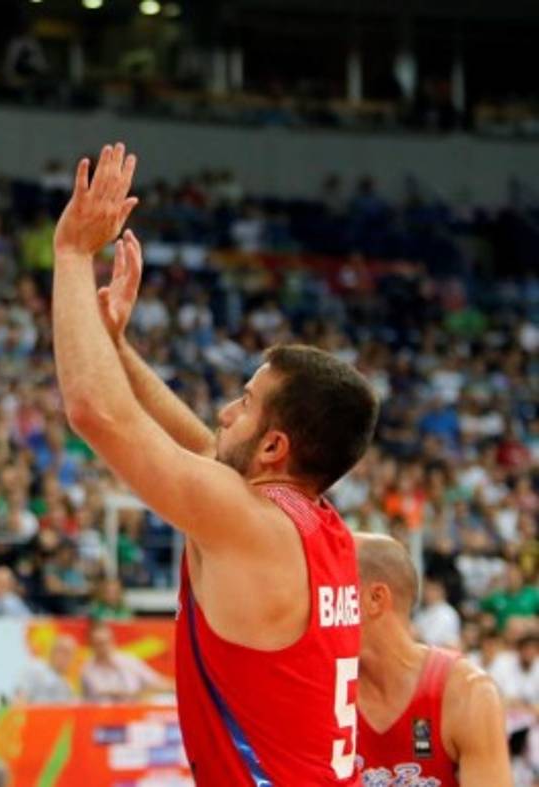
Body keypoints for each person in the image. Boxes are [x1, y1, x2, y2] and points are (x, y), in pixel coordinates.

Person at [51, 144, 379, 784]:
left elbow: (96, 413)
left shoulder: (251, 525)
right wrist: (115, 345)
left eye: (246, 403)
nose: (227, 412)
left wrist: (70, 254)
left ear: (275, 448)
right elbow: (207, 451)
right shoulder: (312, 524)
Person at [355, 534, 511, 785]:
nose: (318, 598)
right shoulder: (319, 688)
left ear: (375, 599)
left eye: (330, 585)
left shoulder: (467, 692)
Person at [80, 620, 172, 703]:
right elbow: (95, 696)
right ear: (91, 645)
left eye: (107, 641)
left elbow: (155, 681)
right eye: (99, 643)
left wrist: (176, 687)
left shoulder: (129, 661)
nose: (104, 647)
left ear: (113, 640)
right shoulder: (87, 669)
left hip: (134, 712)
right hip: (101, 716)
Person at [14, 634, 77, 704]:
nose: (65, 658)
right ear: (52, 652)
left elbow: (72, 708)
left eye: (70, 655)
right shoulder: (35, 669)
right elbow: (20, 698)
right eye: (63, 651)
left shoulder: (66, 685)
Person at [414, 576, 462, 650]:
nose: (425, 592)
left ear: (441, 591)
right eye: (425, 587)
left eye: (431, 588)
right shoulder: (423, 611)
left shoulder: (446, 613)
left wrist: (415, 635)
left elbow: (430, 644)